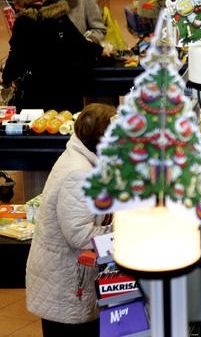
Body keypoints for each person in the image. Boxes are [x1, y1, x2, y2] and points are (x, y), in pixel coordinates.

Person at [25, 103, 116, 337]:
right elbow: (79, 233)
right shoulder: (79, 172)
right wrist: (119, 229)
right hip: (66, 284)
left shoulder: (80, 157)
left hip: (66, 278)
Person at [1, 0, 101, 112]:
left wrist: (6, 77)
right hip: (68, 93)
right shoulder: (59, 16)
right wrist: (103, 51)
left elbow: (16, 58)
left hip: (38, 96)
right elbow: (82, 46)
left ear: (18, 2)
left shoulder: (24, 23)